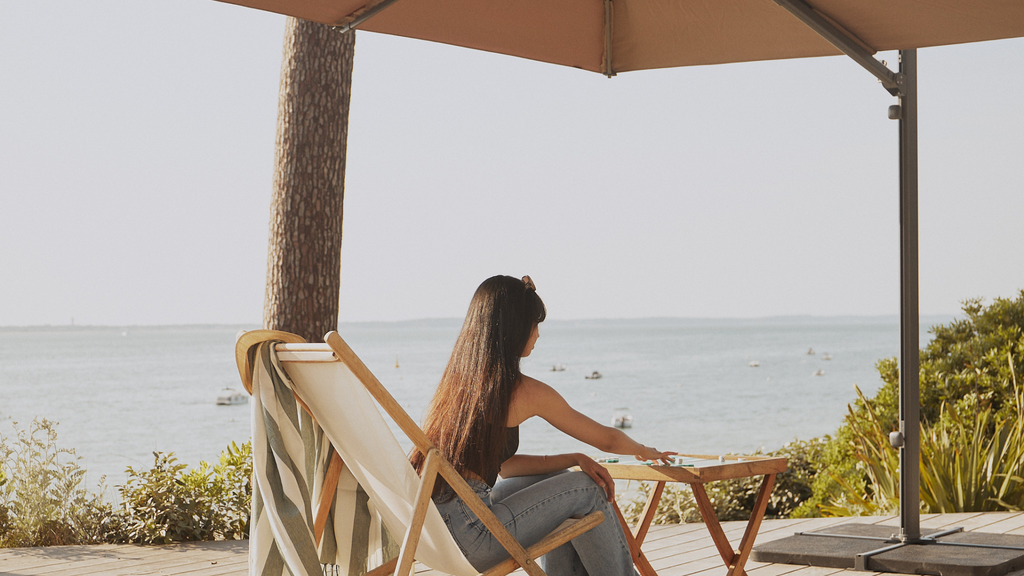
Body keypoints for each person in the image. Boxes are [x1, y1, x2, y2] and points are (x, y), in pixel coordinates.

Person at [411, 275, 674, 575]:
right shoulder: (520, 390)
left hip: (438, 531)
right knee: (590, 489)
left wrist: (575, 459)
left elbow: (504, 468)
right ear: (514, 329)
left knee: (560, 480)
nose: (537, 335)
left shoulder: (458, 385)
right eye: (534, 325)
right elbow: (608, 441)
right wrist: (642, 450)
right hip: (473, 536)